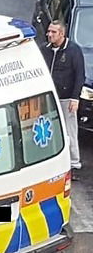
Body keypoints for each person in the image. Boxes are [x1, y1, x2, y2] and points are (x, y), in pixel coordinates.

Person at [41, 20, 85, 176]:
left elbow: (80, 75)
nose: (49, 35)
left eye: (53, 32)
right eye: (48, 31)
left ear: (62, 34)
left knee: (69, 130)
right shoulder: (45, 50)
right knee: (48, 129)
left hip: (66, 99)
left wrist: (75, 98)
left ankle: (74, 164)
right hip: (49, 99)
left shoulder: (73, 51)